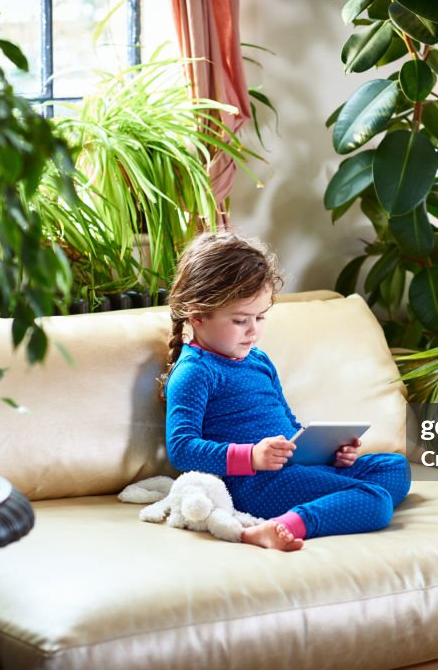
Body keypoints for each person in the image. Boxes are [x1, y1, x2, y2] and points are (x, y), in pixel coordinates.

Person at [160, 233, 411, 551]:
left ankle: (340, 499)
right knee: (376, 502)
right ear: (197, 316)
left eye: (260, 317)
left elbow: (287, 422)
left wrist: (327, 452)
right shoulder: (195, 371)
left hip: (297, 468)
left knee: (395, 468)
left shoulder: (259, 360)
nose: (254, 330)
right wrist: (251, 457)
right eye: (240, 320)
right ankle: (280, 526)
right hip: (256, 484)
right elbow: (182, 449)